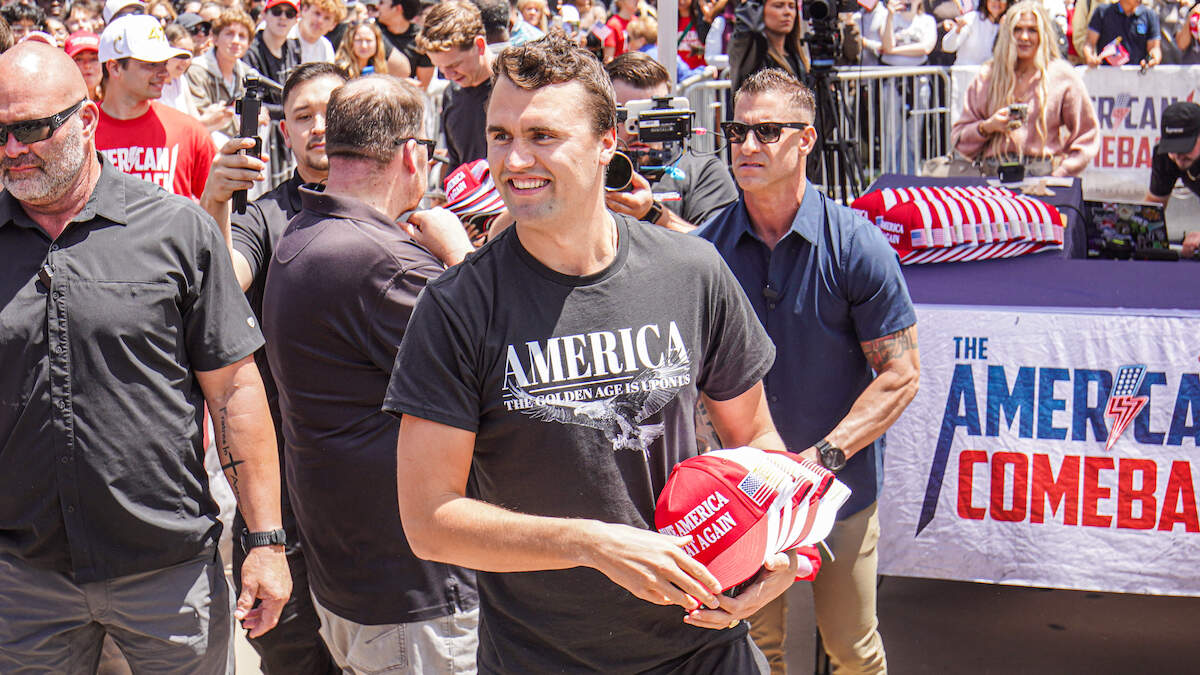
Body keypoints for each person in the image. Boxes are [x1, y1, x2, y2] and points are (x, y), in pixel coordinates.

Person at [386, 32, 802, 674]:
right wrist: (590, 544)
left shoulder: (691, 269)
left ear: (608, 141)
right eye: (500, 135)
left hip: (707, 648)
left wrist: (781, 554)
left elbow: (757, 442)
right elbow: (429, 520)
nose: (515, 159)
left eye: (542, 136)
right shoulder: (456, 306)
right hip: (545, 660)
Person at [0, 41, 289, 673]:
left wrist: (266, 541)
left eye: (32, 129)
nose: (12, 149)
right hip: (23, 583)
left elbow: (234, 391)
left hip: (168, 575)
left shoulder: (177, 230)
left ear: (87, 120)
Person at [697, 67, 920, 675]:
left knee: (852, 649)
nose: (747, 145)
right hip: (741, 498)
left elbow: (900, 374)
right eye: (736, 130)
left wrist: (819, 460)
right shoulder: (706, 250)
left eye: (767, 131)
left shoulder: (855, 243)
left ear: (806, 140)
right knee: (751, 649)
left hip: (839, 490)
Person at [263, 74, 479, 675]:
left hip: (358, 577)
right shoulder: (382, 261)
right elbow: (497, 364)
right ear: (412, 154)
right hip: (412, 593)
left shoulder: (305, 230)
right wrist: (460, 256)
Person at [196, 61, 349, 675]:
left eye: (331, 111)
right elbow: (221, 283)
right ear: (283, 131)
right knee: (289, 651)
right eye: (303, 115)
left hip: (370, 483)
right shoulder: (261, 216)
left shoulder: (399, 207)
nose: (319, 126)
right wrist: (215, 202)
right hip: (283, 479)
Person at [952, 0, 1099, 177]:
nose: (1024, 37)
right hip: (995, 177)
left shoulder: (1062, 75)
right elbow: (959, 141)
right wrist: (987, 127)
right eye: (1017, 29)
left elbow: (1087, 135)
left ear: (1043, 34)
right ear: (1007, 34)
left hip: (1043, 177)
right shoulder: (987, 75)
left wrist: (1060, 175)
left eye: (1032, 30)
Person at [603, 52, 737, 232]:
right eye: (625, 116)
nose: (636, 129)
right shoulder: (590, 172)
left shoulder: (702, 173)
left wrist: (653, 214)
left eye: (649, 116)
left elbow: (718, 244)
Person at [95, 14, 217, 199]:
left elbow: (219, 203)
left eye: (164, 63)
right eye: (151, 64)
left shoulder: (190, 132)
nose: (163, 73)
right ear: (115, 68)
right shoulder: (80, 133)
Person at [417, 0, 494, 170]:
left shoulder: (513, 88)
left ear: (479, 45)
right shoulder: (452, 94)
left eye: (454, 65)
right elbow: (457, 161)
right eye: (439, 67)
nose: (448, 75)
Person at [186, 8, 260, 139]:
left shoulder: (247, 73)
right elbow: (203, 119)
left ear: (249, 44)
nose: (236, 41)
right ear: (214, 38)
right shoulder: (196, 71)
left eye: (242, 36)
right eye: (229, 34)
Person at [1143, 101, 1200, 256]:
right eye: (1172, 148)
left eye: (1185, 147)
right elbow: (1153, 208)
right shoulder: (1165, 157)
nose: (1178, 156)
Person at [729, 0, 806, 93]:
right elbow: (750, 27)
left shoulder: (796, 58)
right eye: (778, 6)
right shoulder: (752, 52)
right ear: (760, 11)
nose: (787, 12)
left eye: (791, 6)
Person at [1085, 0, 1162, 68]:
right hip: (1107, 75)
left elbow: (1154, 47)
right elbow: (1089, 43)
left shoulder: (1150, 15)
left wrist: (1154, 58)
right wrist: (1090, 57)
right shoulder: (1102, 12)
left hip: (1139, 75)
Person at [376, 0, 434, 87]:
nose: (377, 7)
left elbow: (422, 86)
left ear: (397, 8)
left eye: (382, 3)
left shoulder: (422, 39)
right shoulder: (373, 31)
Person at [243, 0, 302, 85]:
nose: (283, 17)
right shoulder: (250, 52)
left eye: (289, 14)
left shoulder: (295, 49)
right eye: (277, 11)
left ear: (296, 20)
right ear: (264, 14)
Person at [942, 0, 1010, 65]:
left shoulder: (1008, 24)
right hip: (965, 72)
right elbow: (947, 47)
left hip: (990, 72)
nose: (997, 3)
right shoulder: (972, 18)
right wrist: (958, 29)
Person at [65, 30, 102, 99]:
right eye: (79, 59)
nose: (87, 66)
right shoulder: (57, 104)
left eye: (94, 59)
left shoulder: (115, 102)